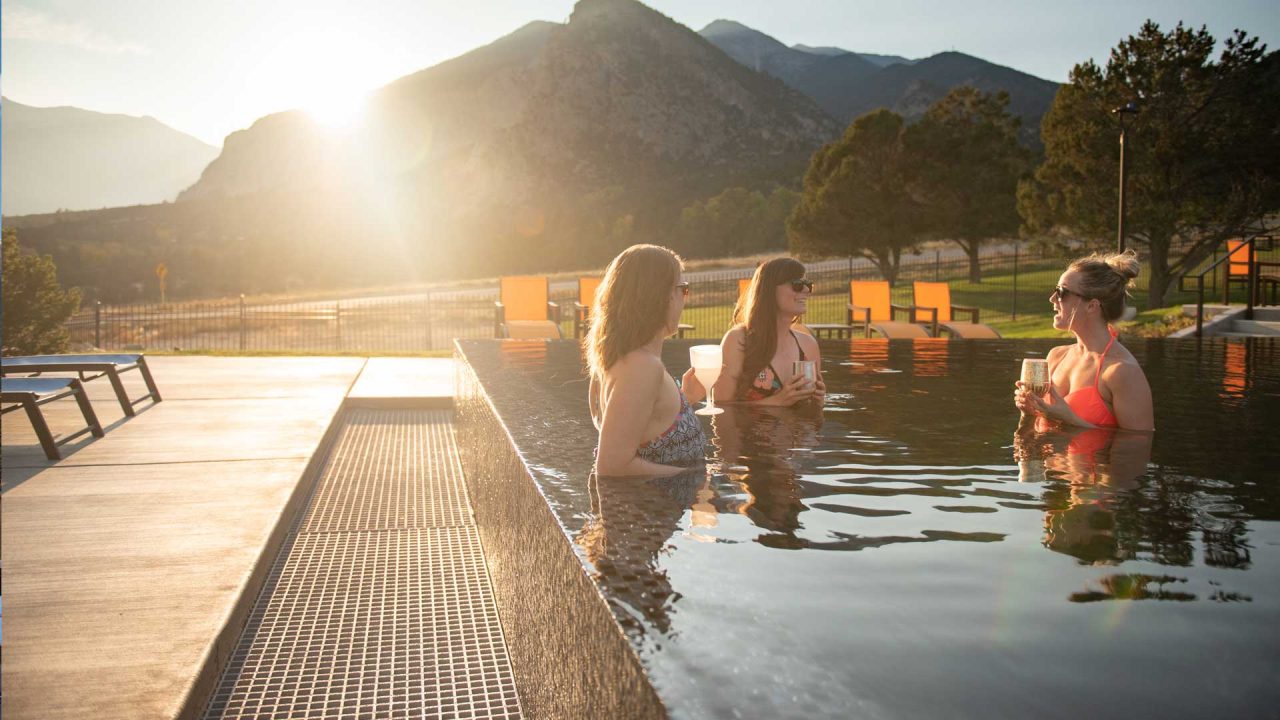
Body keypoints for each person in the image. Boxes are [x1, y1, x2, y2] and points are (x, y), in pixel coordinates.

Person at [587, 244, 707, 476]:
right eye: (683, 289)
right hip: (650, 509)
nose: (685, 298)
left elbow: (646, 430)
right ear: (661, 296)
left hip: (659, 508)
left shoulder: (625, 359)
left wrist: (685, 399)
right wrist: (695, 478)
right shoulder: (641, 367)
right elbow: (612, 466)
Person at [1014, 250, 1154, 432]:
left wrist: (1069, 420)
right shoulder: (1056, 357)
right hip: (1049, 461)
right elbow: (1031, 436)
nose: (1052, 299)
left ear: (1092, 306)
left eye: (1061, 292)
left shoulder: (1122, 372)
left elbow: (1138, 446)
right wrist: (1028, 414)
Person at [707, 258, 826, 407]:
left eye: (808, 284)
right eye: (797, 285)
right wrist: (776, 402)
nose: (806, 290)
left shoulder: (808, 345)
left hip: (797, 430)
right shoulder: (738, 340)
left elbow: (812, 416)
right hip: (751, 430)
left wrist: (818, 403)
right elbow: (720, 407)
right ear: (769, 290)